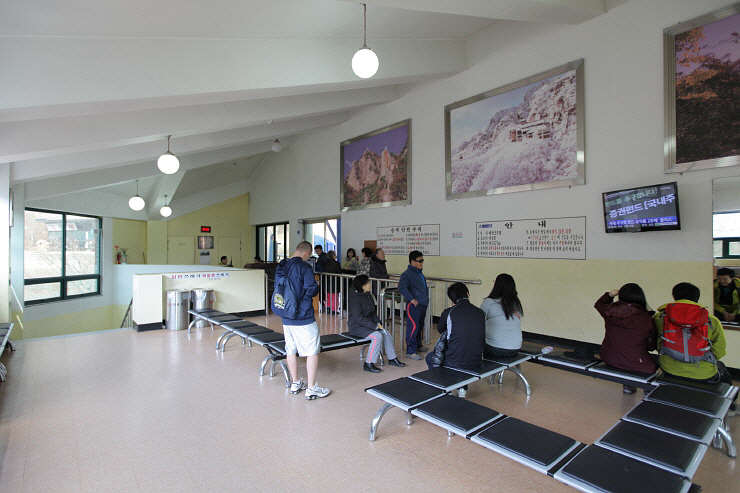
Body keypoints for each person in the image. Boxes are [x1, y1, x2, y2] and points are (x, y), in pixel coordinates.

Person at [273, 241, 329, 400]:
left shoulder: (282, 265)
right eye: (308, 256)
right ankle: (311, 388)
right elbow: (311, 290)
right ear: (306, 253)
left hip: (286, 314)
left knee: (290, 349)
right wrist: (316, 284)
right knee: (312, 351)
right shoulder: (304, 267)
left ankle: (296, 382)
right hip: (303, 315)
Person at [654, 282, 730, 385]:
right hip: (703, 372)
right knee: (723, 373)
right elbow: (720, 350)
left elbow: (657, 343)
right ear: (697, 298)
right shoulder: (712, 320)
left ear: (674, 296)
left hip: (669, 367)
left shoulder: (660, 317)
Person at [594, 283, 657, 394]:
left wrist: (610, 295)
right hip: (634, 362)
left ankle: (628, 386)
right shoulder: (646, 318)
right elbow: (651, 346)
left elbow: (599, 304)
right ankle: (647, 391)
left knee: (626, 357)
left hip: (609, 357)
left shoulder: (610, 312)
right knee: (651, 366)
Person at [426, 282, 485, 397]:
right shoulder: (480, 312)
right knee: (464, 350)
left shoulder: (449, 312)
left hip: (454, 362)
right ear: (468, 294)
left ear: (452, 300)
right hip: (476, 360)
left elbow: (441, 330)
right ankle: (462, 388)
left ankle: (445, 389)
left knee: (430, 357)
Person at [348, 275, 405, 372]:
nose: (370, 284)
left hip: (368, 325)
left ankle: (392, 358)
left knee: (386, 333)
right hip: (357, 327)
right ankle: (368, 363)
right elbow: (358, 318)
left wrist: (378, 323)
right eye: (367, 283)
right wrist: (374, 326)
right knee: (377, 336)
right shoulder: (355, 299)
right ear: (361, 286)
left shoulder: (368, 295)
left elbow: (373, 313)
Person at [480, 274, 523, 359]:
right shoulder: (516, 303)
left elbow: (479, 322)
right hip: (515, 348)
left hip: (493, 348)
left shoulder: (489, 302)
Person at [399, 250, 429, 360]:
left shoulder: (419, 273)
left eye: (422, 260)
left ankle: (418, 345)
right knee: (413, 327)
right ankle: (411, 351)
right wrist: (411, 299)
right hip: (414, 306)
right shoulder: (406, 274)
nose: (422, 263)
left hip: (423, 303)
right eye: (419, 261)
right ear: (412, 262)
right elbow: (402, 288)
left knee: (420, 326)